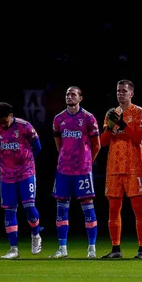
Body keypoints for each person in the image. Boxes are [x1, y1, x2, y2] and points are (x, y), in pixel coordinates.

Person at [50, 86, 101, 258]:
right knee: (61, 208)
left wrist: (87, 161)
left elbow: (97, 145)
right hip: (63, 170)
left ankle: (91, 248)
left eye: (73, 94)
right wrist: (65, 158)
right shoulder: (58, 119)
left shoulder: (88, 118)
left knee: (87, 207)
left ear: (80, 98)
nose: (69, 96)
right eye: (67, 94)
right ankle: (62, 248)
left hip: (83, 170)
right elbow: (59, 143)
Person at [99, 79, 142, 259]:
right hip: (114, 167)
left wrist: (122, 123)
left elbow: (137, 139)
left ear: (131, 93)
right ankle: (116, 249)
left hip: (134, 167)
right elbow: (103, 142)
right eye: (118, 90)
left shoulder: (139, 112)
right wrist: (110, 128)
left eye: (124, 91)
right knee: (113, 209)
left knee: (138, 209)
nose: (120, 93)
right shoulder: (111, 113)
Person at [0, 102, 43, 259]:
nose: (2, 124)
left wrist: (28, 164)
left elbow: (37, 148)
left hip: (26, 173)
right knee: (9, 210)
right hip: (6, 176)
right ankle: (13, 249)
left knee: (30, 207)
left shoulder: (25, 127)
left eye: (4, 120)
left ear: (11, 116)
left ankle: (36, 235)